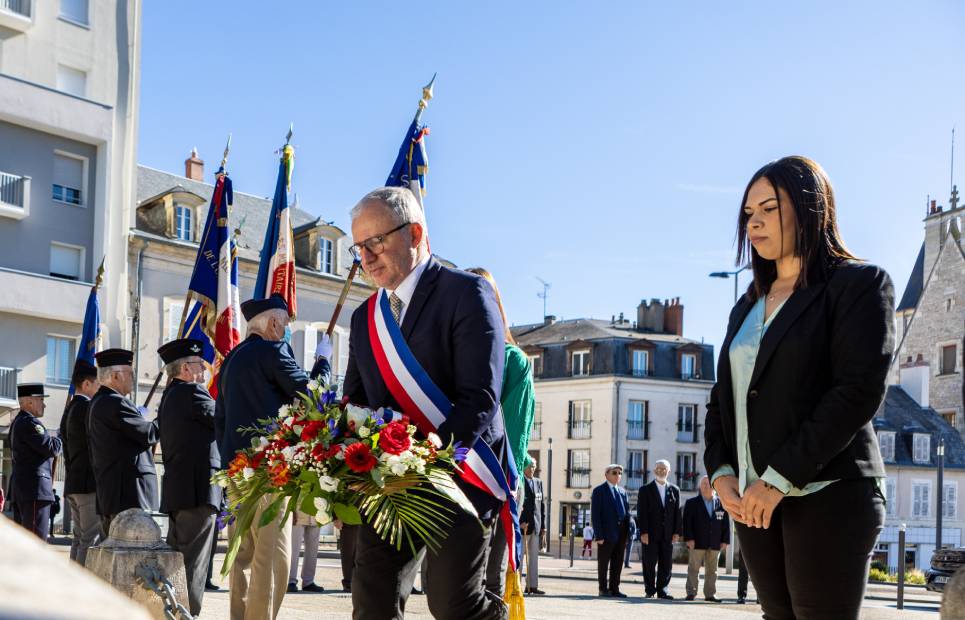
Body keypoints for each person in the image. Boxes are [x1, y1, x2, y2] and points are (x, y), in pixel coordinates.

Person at [704, 156, 892, 619]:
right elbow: (721, 400)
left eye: (769, 208)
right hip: (753, 503)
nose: (755, 222)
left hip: (829, 494)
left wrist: (778, 479)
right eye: (749, 214)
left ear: (812, 208)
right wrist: (721, 471)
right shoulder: (746, 306)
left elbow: (856, 393)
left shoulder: (858, 285)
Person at [343, 186, 509, 620]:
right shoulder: (365, 319)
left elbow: (480, 396)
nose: (366, 257)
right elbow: (355, 401)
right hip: (390, 486)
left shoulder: (466, 293)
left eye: (376, 241)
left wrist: (430, 463)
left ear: (414, 233)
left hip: (460, 475)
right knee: (371, 599)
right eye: (358, 246)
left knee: (454, 605)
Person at [215, 294, 331, 620]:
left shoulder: (232, 359)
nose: (287, 332)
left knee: (244, 555)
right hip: (269, 470)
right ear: (274, 323)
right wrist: (323, 363)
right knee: (272, 554)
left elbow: (220, 420)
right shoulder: (273, 349)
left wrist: (229, 464)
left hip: (237, 470)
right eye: (286, 325)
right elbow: (313, 396)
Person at [468, 267, 536, 598]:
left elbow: (514, 430)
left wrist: (512, 483)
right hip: (455, 474)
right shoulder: (451, 355)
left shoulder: (513, 361)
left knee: (489, 578)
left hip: (495, 477)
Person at [157, 338, 222, 616]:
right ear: (184, 368)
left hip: (181, 493)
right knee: (193, 566)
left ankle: (172, 612)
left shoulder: (171, 395)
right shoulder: (193, 394)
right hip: (197, 493)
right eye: (199, 365)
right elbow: (223, 418)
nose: (204, 372)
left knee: (178, 563)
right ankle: (187, 614)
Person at [9, 383, 62, 539]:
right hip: (34, 491)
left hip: (27, 489)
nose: (44, 405)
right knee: (35, 542)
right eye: (40, 399)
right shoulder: (29, 423)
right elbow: (52, 448)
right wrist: (60, 436)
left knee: (27, 542)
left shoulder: (19, 422)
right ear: (30, 401)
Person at [61, 360, 101, 565]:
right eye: (97, 385)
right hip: (87, 485)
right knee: (90, 538)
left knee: (80, 537)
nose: (99, 389)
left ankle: (73, 582)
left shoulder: (71, 408)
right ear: (86, 384)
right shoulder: (86, 407)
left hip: (74, 482)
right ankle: (82, 587)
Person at [637, 459, 681, 599]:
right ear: (655, 470)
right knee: (649, 563)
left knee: (666, 564)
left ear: (669, 471)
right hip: (650, 534)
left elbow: (677, 513)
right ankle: (650, 590)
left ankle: (663, 590)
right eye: (659, 468)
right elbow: (641, 513)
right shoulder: (645, 490)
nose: (661, 471)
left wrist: (677, 532)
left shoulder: (675, 490)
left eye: (664, 469)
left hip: (668, 534)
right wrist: (643, 532)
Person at [682, 475, 729, 602]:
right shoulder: (691, 503)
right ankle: (691, 592)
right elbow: (687, 523)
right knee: (693, 568)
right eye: (703, 484)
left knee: (712, 570)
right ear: (699, 486)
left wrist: (725, 540)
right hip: (696, 542)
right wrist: (689, 539)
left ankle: (710, 594)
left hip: (715, 542)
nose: (705, 486)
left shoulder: (722, 503)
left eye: (708, 484)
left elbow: (725, 523)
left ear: (714, 487)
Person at [590, 464, 630, 598]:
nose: (618, 475)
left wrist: (629, 533)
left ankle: (615, 588)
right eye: (614, 472)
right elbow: (595, 515)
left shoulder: (623, 492)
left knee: (618, 563)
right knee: (603, 563)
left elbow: (627, 514)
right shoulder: (599, 491)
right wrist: (599, 535)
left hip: (621, 534)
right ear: (606, 474)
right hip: (606, 535)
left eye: (620, 473)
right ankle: (603, 588)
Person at [519, 458, 545, 595]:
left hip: (536, 525)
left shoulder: (538, 482)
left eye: (534, 466)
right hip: (523, 526)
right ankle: (516, 587)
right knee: (520, 558)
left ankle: (532, 586)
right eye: (530, 466)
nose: (532, 469)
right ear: (524, 467)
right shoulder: (519, 481)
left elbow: (542, 505)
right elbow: (518, 504)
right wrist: (519, 522)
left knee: (533, 558)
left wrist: (543, 527)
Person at [288, 509, 324, 593]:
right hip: (298, 514)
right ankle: (290, 581)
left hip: (316, 516)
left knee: (312, 551)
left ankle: (308, 582)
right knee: (293, 550)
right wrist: (291, 510)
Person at [336, 521, 358, 592]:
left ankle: (358, 583)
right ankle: (348, 584)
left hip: (365, 519)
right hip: (347, 520)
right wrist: (335, 517)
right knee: (348, 553)